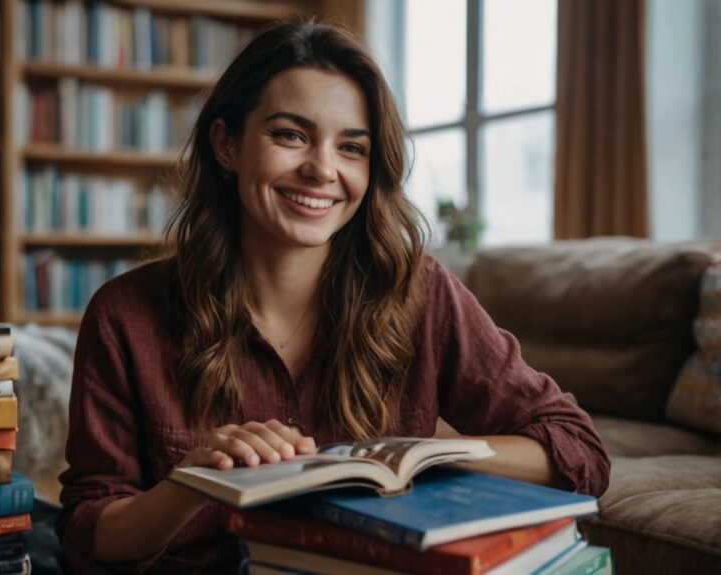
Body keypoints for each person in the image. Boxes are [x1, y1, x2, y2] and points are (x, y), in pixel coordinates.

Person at [56, 20, 610, 574]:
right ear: (227, 145)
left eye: (351, 147)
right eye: (290, 135)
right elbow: (88, 534)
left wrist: (424, 458)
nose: (322, 169)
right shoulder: (124, 314)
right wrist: (193, 484)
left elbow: (576, 448)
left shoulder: (419, 292)